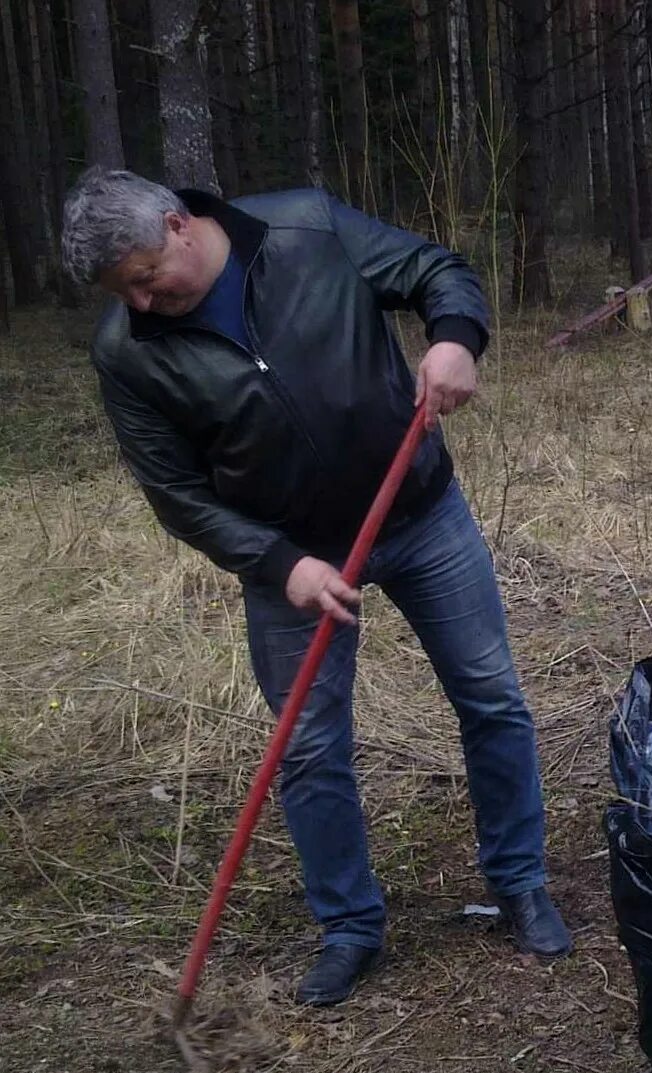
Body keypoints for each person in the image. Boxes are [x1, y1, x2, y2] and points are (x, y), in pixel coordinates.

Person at [61, 168, 573, 1006]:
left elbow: (436, 272)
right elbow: (176, 493)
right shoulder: (128, 351)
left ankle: (520, 881)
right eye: (126, 294)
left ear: (178, 224)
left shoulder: (305, 229)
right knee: (307, 744)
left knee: (490, 695)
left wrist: (455, 338)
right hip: (291, 557)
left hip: (420, 513)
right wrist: (278, 563)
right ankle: (350, 927)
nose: (144, 305)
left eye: (148, 280)